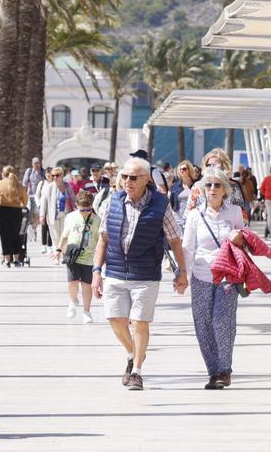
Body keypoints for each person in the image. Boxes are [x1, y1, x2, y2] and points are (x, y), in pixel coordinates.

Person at [92, 156, 188, 391]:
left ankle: (136, 371)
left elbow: (175, 240)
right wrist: (96, 271)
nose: (127, 181)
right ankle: (132, 354)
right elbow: (102, 239)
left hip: (145, 274)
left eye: (133, 177)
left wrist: (181, 271)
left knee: (140, 323)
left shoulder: (160, 204)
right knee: (115, 319)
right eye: (124, 176)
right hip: (114, 271)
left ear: (146, 179)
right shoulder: (114, 201)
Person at [182, 166, 245, 389]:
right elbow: (188, 248)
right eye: (208, 185)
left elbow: (244, 243)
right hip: (200, 275)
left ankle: (224, 370)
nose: (212, 189)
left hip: (227, 277)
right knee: (203, 324)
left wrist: (240, 239)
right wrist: (182, 275)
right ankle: (212, 371)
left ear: (225, 189)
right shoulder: (194, 216)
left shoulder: (234, 213)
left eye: (217, 185)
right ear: (202, 189)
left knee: (223, 322)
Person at [54, 190, 98, 322]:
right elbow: (64, 235)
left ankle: (87, 311)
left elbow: (101, 240)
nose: (85, 212)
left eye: (88, 209)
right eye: (82, 210)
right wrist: (58, 249)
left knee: (86, 285)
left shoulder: (97, 220)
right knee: (72, 282)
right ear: (76, 206)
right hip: (72, 256)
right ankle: (73, 301)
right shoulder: (71, 217)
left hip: (89, 257)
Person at [0, 165, 28, 267]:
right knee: (15, 235)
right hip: (16, 211)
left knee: (5, 236)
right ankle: (17, 260)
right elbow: (25, 200)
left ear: (3, 174)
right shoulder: (19, 185)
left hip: (1, 210)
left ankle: (7, 260)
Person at [40, 167, 73, 256]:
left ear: (62, 176)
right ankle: (56, 255)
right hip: (53, 215)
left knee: (64, 235)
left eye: (57, 175)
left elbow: (73, 199)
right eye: (53, 175)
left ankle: (63, 254)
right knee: (55, 237)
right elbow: (44, 201)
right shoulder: (49, 187)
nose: (55, 177)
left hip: (65, 215)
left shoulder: (67, 186)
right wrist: (42, 215)